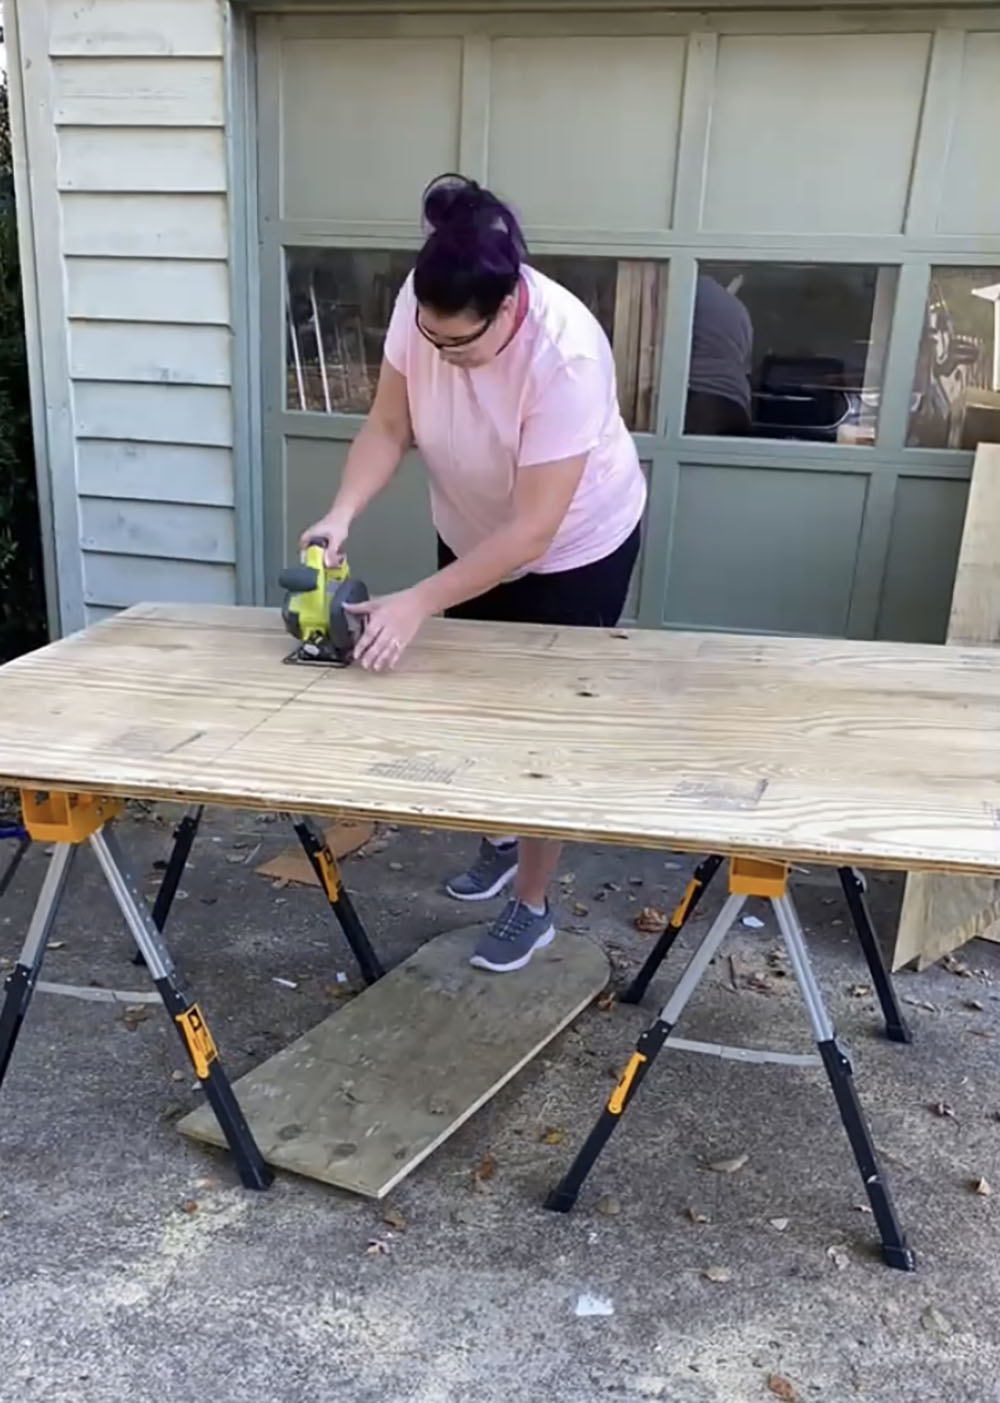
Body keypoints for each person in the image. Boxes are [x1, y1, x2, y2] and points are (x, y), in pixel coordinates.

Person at [300, 173, 646, 974]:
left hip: (572, 548)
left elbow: (531, 530)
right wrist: (341, 512)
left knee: (541, 727)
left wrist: (417, 602)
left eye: (462, 344)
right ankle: (499, 835)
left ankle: (533, 904)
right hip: (470, 526)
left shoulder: (566, 351)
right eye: (433, 338)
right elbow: (389, 426)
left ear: (511, 306)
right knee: (474, 700)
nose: (444, 356)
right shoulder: (424, 312)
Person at [684, 271, 753, 435]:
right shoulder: (740, 310)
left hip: (700, 400)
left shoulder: (685, 290)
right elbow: (745, 367)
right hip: (737, 407)